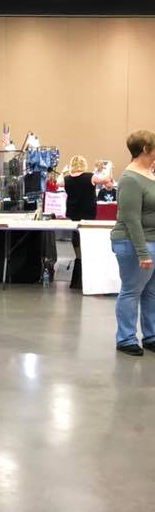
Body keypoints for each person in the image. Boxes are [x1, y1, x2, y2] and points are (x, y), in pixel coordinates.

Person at [110, 130, 155, 356]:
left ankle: (151, 335)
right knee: (131, 291)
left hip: (151, 241)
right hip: (133, 243)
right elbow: (131, 219)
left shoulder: (149, 173)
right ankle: (126, 338)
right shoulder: (130, 178)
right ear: (146, 149)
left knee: (151, 292)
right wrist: (143, 253)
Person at [57, 155, 112, 288]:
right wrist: (109, 166)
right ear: (84, 165)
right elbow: (107, 180)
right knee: (87, 238)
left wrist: (64, 171)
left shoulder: (67, 178)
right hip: (88, 214)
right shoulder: (90, 176)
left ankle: (78, 260)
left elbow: (58, 182)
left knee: (76, 238)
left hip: (73, 214)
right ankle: (85, 265)